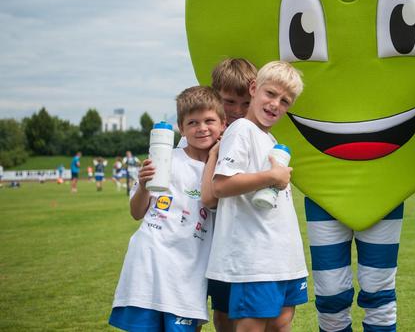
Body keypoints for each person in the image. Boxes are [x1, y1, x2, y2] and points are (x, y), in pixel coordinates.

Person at [109, 86, 226, 332]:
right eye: (192, 122)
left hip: (189, 273)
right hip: (149, 263)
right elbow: (136, 212)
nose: (202, 128)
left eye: (209, 121)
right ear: (181, 129)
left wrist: (216, 155)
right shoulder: (166, 159)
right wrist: (143, 185)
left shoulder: (224, 168)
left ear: (223, 124)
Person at [206, 61, 308, 332]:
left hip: (281, 256)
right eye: (271, 94)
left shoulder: (270, 139)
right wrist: (272, 177)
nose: (276, 104)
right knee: (252, 325)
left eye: (285, 101)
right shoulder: (241, 130)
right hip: (255, 258)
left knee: (281, 322)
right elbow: (221, 186)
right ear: (254, 88)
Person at [180, 57, 257, 332]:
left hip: (236, 243)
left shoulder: (252, 136)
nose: (237, 111)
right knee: (196, 312)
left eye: (245, 103)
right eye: (229, 102)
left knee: (232, 314)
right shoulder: (195, 138)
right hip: (194, 243)